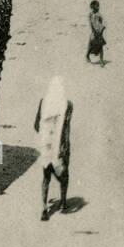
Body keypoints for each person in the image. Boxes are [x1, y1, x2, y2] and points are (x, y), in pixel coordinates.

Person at [34, 76, 73, 221]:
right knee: (64, 175)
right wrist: (64, 147)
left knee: (46, 178)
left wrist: (46, 136)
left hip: (47, 147)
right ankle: (63, 203)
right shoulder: (68, 104)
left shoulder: (43, 103)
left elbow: (36, 125)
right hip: (61, 146)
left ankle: (44, 209)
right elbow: (66, 127)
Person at [86, 0, 106, 65]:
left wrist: (101, 30)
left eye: (98, 6)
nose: (98, 7)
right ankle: (87, 55)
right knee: (91, 46)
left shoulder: (99, 15)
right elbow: (91, 24)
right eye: (97, 6)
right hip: (94, 33)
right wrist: (94, 31)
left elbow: (102, 23)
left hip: (99, 33)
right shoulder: (90, 15)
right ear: (92, 7)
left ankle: (101, 60)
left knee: (100, 47)